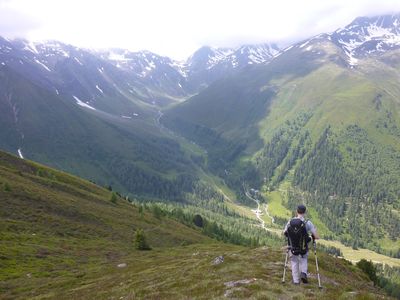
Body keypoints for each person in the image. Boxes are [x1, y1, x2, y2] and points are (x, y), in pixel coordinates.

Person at [283, 204, 319, 284]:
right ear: (305, 212)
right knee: (304, 259)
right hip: (303, 247)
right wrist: (311, 236)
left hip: (293, 247)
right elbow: (316, 236)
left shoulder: (290, 222)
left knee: (294, 262)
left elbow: (285, 232)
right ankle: (303, 273)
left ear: (297, 211)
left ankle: (296, 281)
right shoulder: (308, 223)